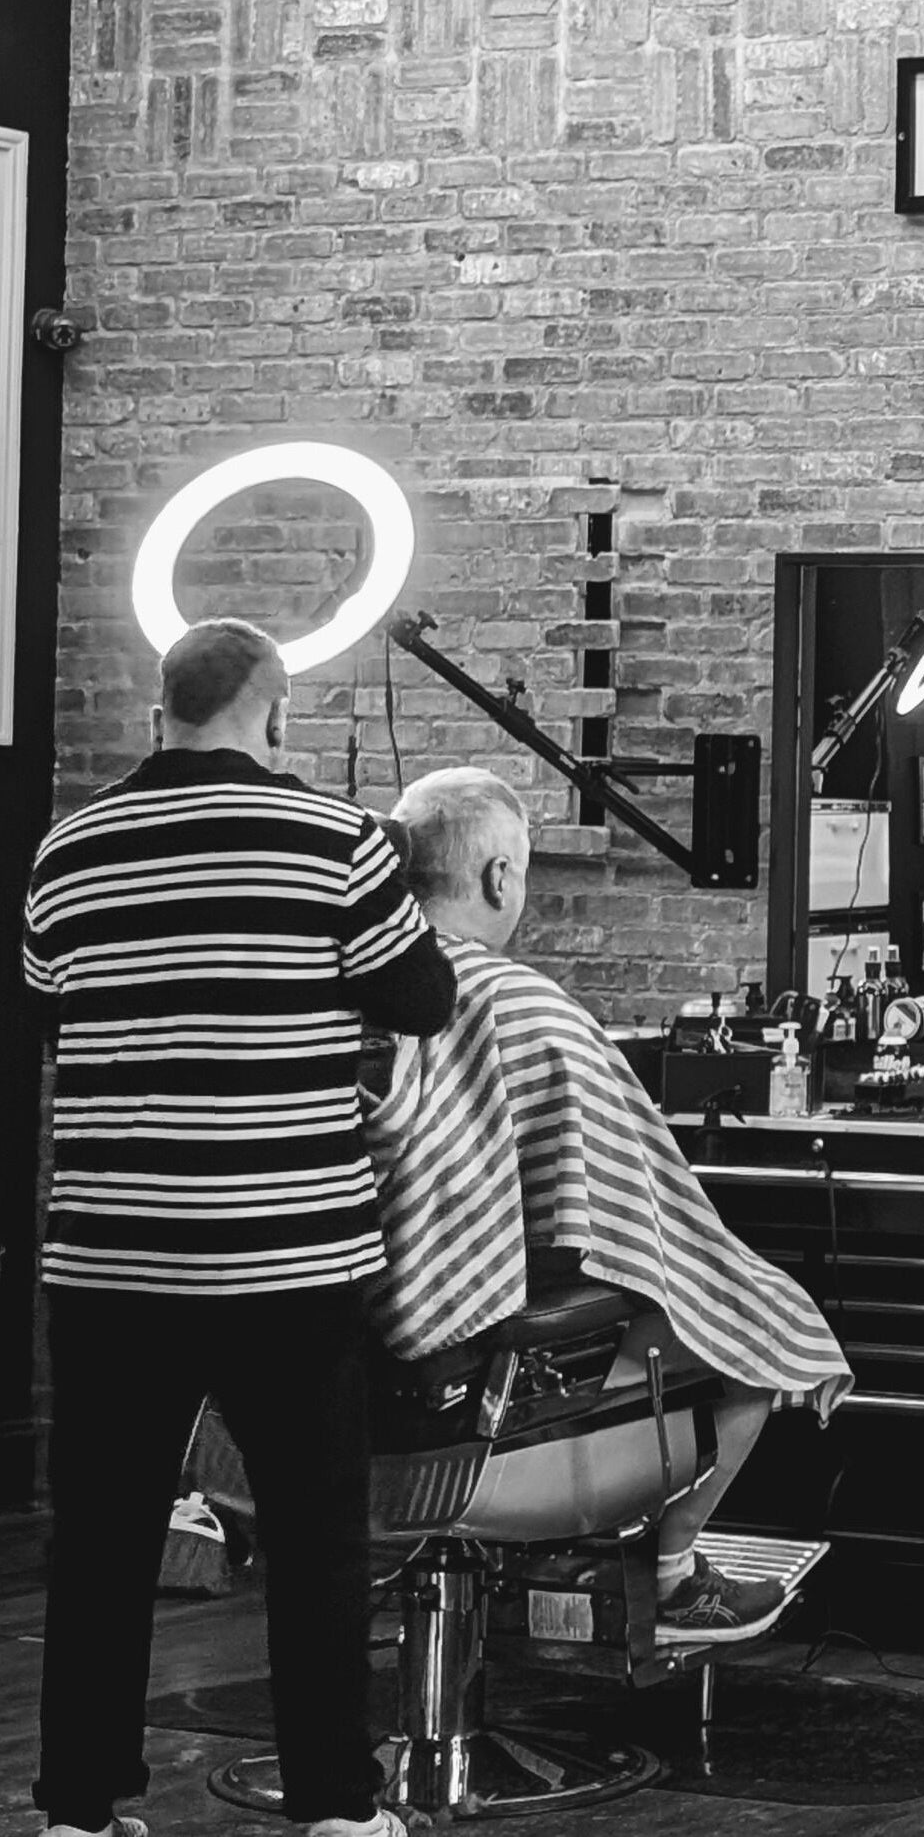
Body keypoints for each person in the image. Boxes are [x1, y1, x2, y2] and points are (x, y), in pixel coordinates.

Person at [21, 619, 459, 1837]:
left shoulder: (69, 847)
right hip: (287, 1257)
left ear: (161, 709)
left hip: (113, 1258)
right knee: (315, 1544)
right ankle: (335, 1807)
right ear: (274, 713)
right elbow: (424, 997)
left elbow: (51, 1011)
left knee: (103, 1544)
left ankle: (78, 1810)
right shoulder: (334, 840)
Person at [367, 766, 851, 1643]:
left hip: (326, 1363)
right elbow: (641, 1220)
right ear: (500, 878)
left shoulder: (342, 991)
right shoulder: (525, 1006)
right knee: (761, 1316)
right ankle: (671, 1577)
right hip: (471, 1382)